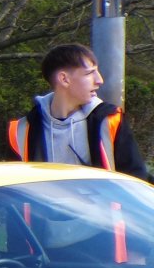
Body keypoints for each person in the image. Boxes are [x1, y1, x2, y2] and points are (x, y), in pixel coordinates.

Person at [9, 43, 150, 180]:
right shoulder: (21, 130)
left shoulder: (110, 120)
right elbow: (13, 189)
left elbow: (136, 181)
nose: (99, 80)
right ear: (64, 79)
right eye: (89, 73)